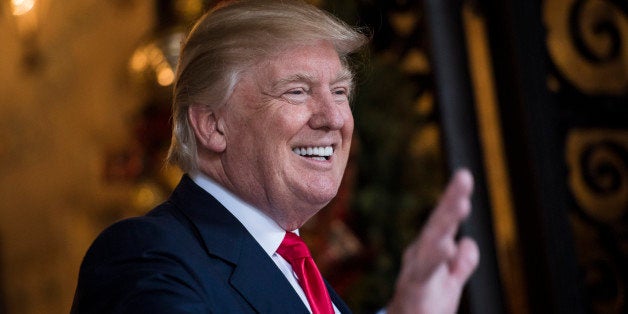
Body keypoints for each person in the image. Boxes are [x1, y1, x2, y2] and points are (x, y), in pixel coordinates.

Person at [71, 0, 479, 313]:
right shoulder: (143, 257)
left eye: (339, 92)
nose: (335, 117)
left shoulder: (303, 274)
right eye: (297, 91)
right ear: (213, 125)